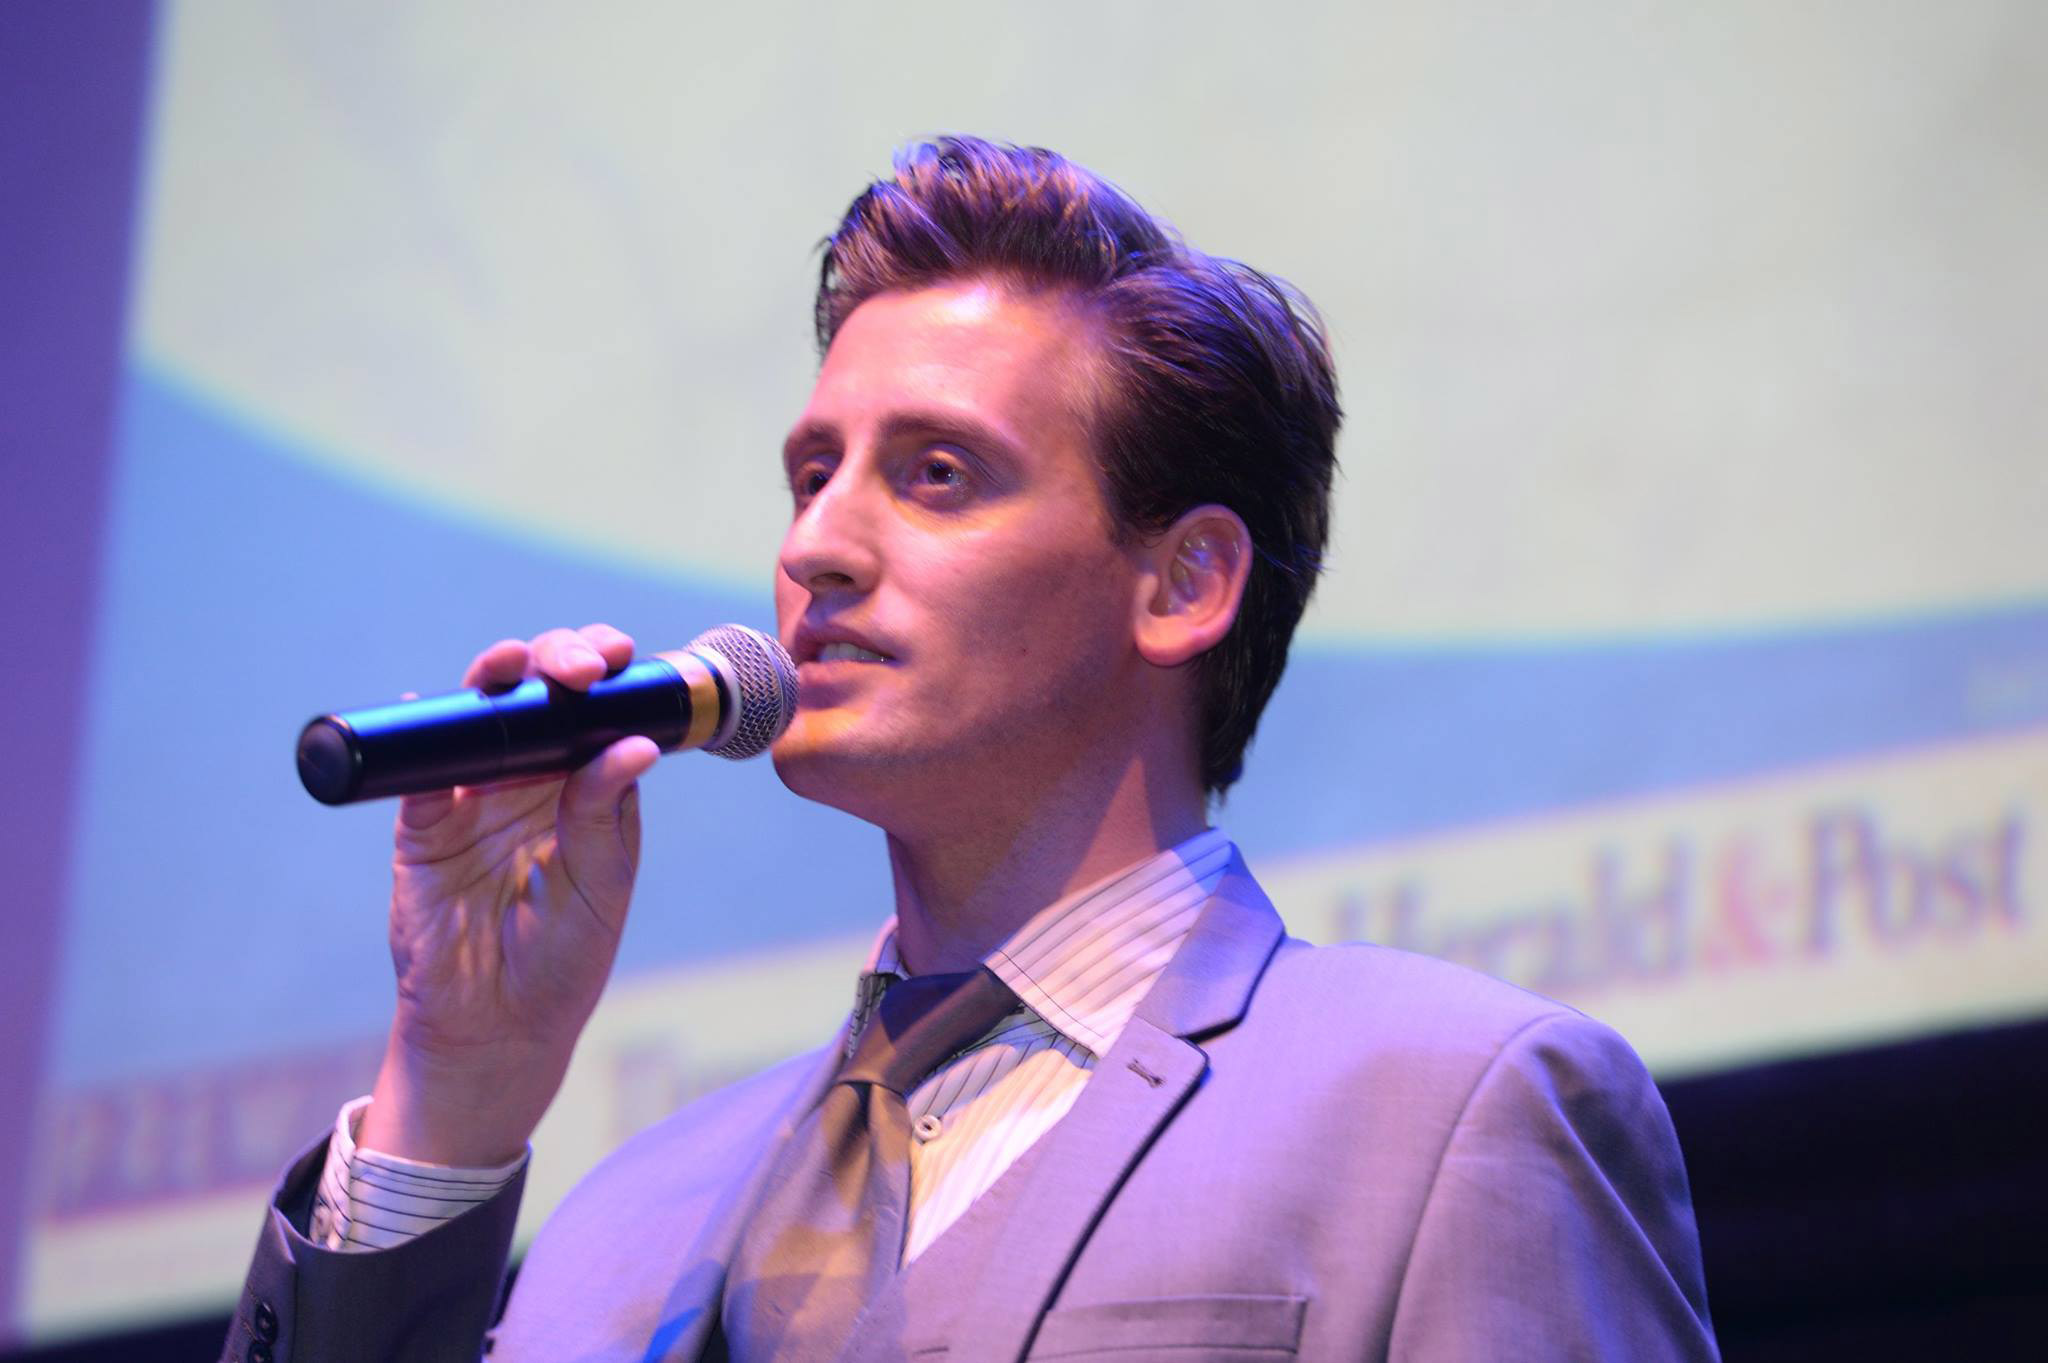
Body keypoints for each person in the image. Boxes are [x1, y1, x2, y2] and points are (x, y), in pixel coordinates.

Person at [225, 137, 1718, 1363]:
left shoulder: (1445, 1110)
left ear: (1182, 583)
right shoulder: (618, 1230)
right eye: (812, 475)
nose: (816, 545)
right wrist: (457, 1086)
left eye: (937, 475)